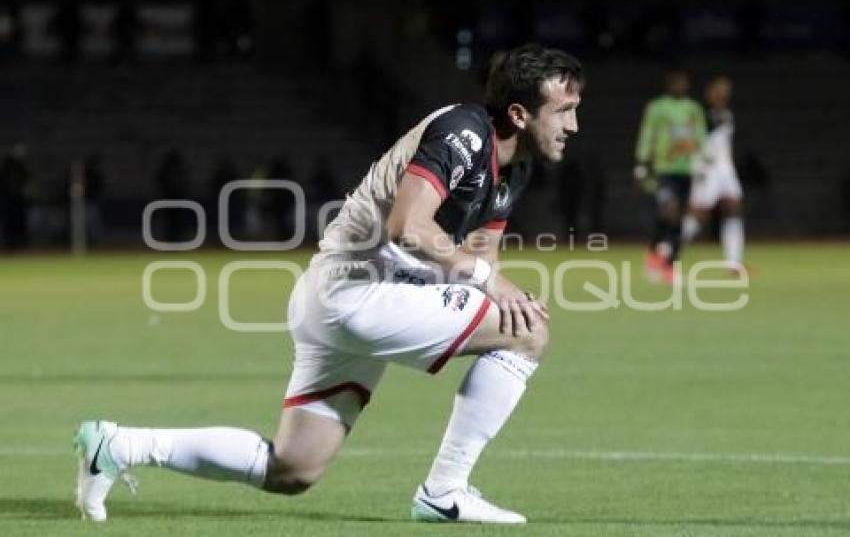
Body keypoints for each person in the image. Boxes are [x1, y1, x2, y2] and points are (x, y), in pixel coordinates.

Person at [74, 44, 583, 524]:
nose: (573, 125)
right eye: (563, 111)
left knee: (293, 468)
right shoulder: (463, 133)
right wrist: (491, 285)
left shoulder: (513, 170)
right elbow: (408, 226)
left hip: (345, 299)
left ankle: (119, 446)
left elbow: (478, 256)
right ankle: (444, 491)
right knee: (529, 334)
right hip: (359, 292)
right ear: (519, 114)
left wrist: (498, 286)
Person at [634, 67, 706, 283]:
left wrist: (701, 158)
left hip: (685, 169)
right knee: (669, 212)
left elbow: (700, 136)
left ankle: (664, 259)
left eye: (683, 83)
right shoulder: (657, 107)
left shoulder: (693, 108)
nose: (680, 86)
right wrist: (642, 160)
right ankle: (662, 258)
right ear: (669, 85)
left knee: (679, 218)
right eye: (676, 82)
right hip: (663, 168)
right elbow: (648, 132)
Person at [682, 76, 746, 274]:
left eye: (725, 91)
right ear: (709, 93)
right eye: (718, 91)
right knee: (698, 215)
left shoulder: (726, 114)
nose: (722, 95)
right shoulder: (701, 114)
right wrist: (697, 163)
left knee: (734, 209)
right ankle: (666, 252)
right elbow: (689, 139)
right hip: (707, 168)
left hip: (726, 170)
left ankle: (734, 264)